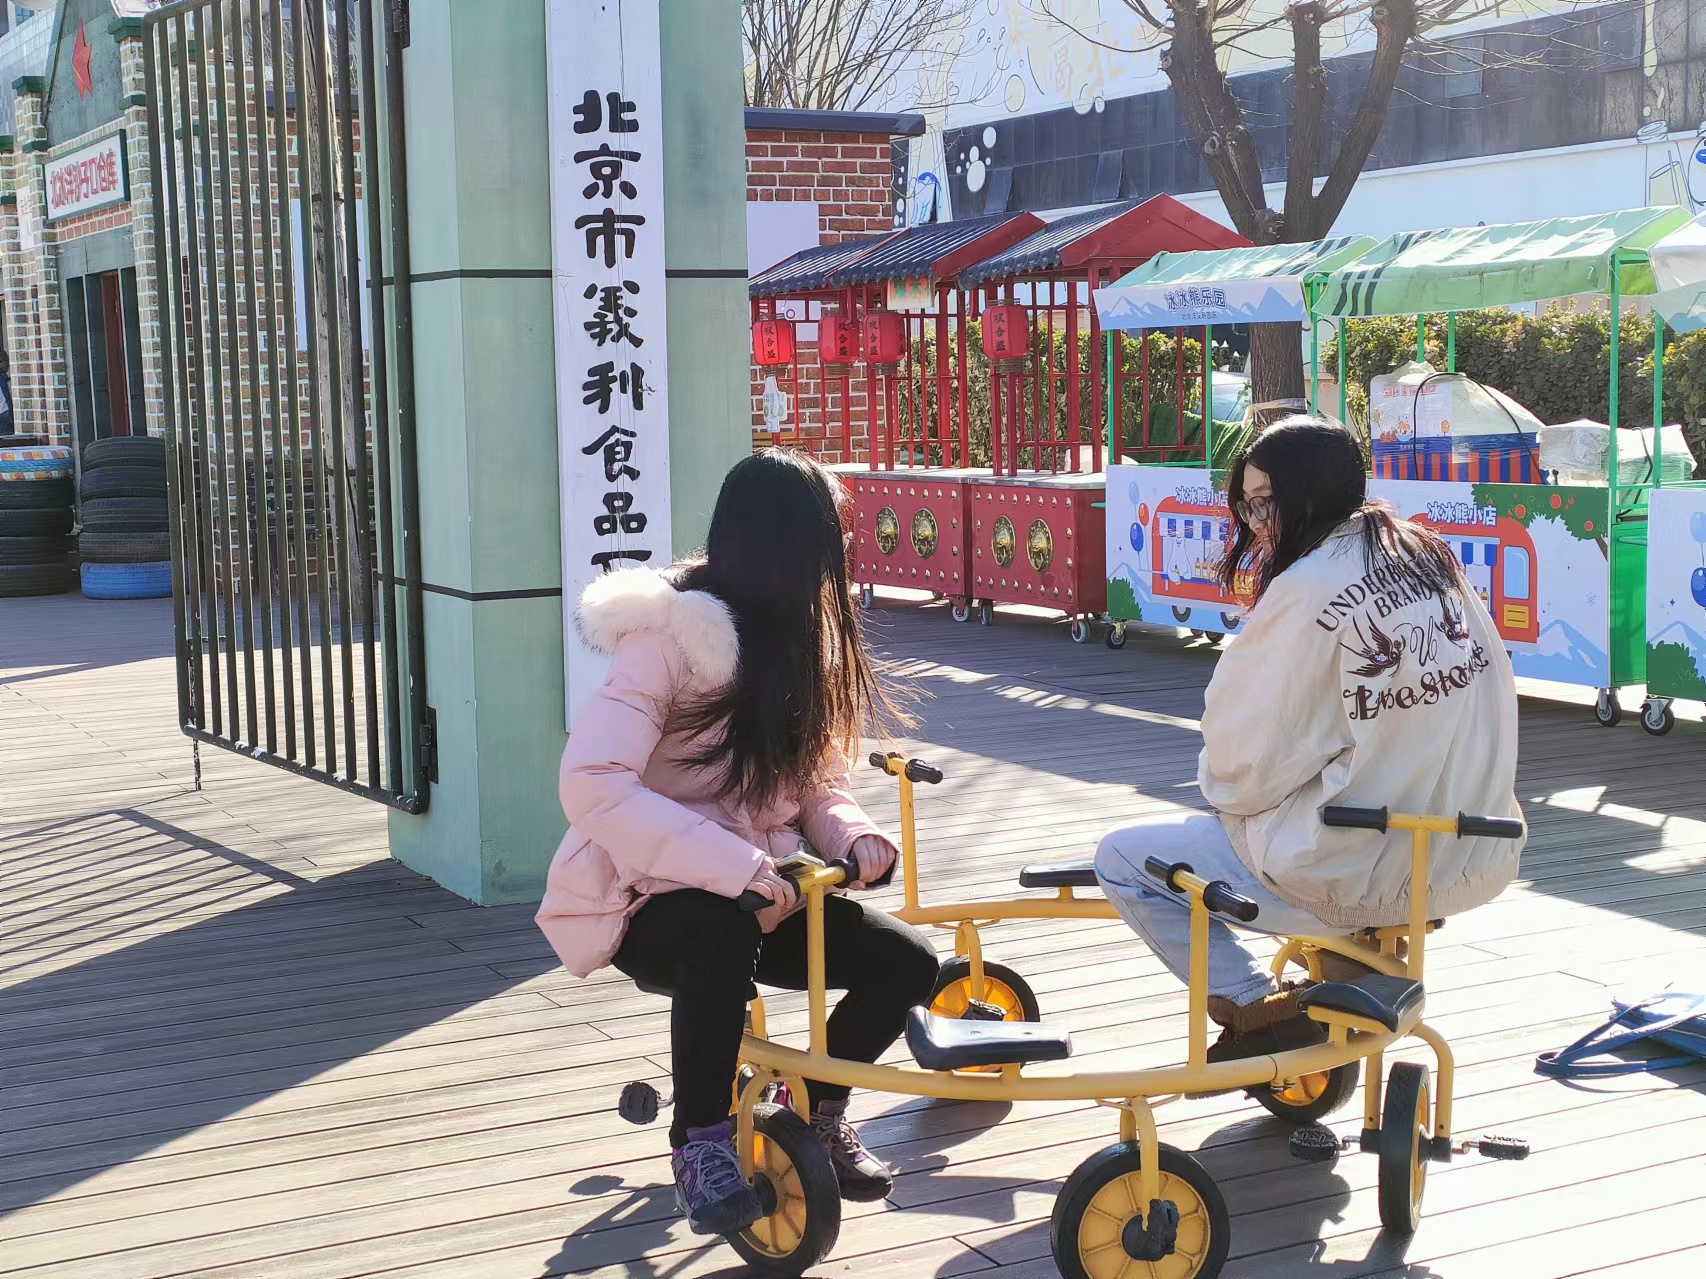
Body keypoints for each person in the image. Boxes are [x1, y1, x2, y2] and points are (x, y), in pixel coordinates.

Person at [536, 450, 939, 1237]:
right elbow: (592, 782)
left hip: (765, 888)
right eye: (826, 543)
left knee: (908, 961)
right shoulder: (668, 637)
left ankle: (816, 1110)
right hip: (646, 897)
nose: (837, 561)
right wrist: (733, 865)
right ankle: (702, 1141)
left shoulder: (798, 636)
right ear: (783, 547)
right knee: (716, 932)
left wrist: (852, 833)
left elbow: (815, 779)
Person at [1095, 416, 1523, 1063]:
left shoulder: (1305, 589)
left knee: (1124, 859)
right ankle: (1348, 969)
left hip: (1358, 862)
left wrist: (1235, 793)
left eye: (1263, 501)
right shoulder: (1424, 555)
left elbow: (1243, 759)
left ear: (1308, 494)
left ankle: (1253, 1007)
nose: (1254, 521)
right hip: (1470, 847)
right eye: (1247, 504)